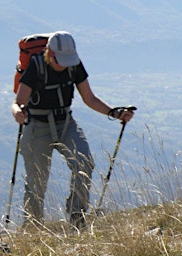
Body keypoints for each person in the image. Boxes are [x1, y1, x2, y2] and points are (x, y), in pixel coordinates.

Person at [10, 31, 134, 229]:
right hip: (37, 126)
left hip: (65, 122)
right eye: (61, 60)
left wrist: (114, 112)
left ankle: (77, 219)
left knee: (84, 163)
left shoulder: (73, 64)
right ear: (49, 54)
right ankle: (33, 227)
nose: (65, 64)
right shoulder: (36, 65)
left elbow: (89, 98)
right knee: (37, 181)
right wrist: (17, 113)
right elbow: (18, 102)